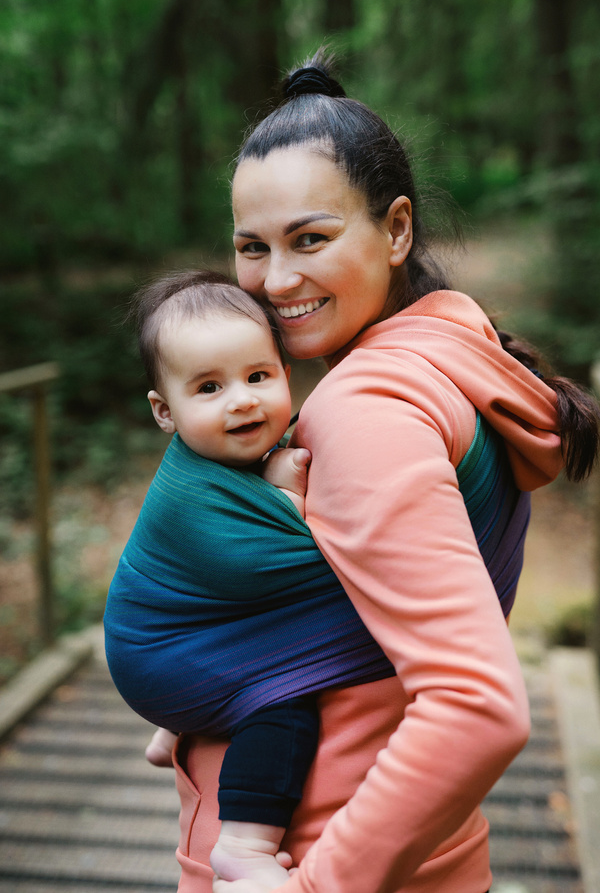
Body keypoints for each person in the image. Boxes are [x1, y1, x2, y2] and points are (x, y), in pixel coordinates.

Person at [172, 50, 600, 893]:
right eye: (250, 247)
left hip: (305, 846)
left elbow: (477, 707)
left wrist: (311, 884)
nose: (275, 280)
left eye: (311, 239)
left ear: (396, 229)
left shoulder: (365, 411)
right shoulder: (454, 348)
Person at [103, 270, 396, 887]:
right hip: (159, 657)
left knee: (253, 642)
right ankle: (245, 844)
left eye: (257, 376)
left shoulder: (242, 454)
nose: (241, 399)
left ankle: (181, 725)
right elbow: (270, 565)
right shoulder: (187, 498)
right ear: (165, 412)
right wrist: (289, 496)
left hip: (190, 640)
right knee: (285, 703)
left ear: (287, 377)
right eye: (209, 387)